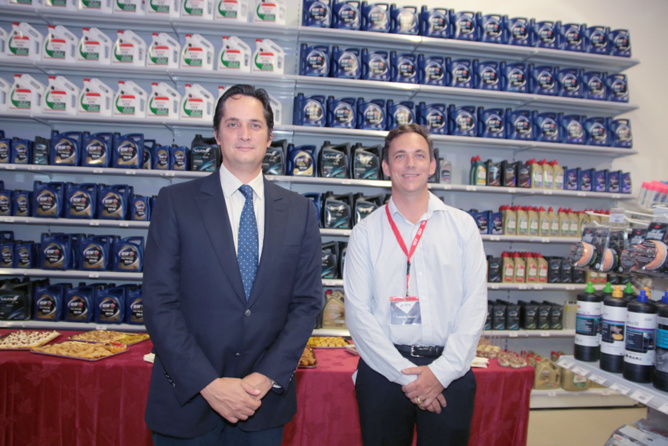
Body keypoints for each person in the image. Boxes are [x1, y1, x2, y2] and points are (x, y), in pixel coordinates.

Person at [143, 84, 323, 445]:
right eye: (233, 124)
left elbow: (306, 305)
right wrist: (208, 384)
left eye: (255, 125)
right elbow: (159, 302)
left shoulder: (300, 211)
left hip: (262, 405)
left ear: (269, 137)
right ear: (216, 134)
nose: (244, 134)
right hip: (188, 401)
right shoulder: (175, 202)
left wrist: (265, 377)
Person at [343, 124, 488, 446]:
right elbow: (358, 314)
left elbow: (475, 304)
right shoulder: (365, 233)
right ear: (386, 166)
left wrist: (441, 373)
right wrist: (408, 378)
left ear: (432, 165)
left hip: (450, 372)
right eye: (400, 156)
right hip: (382, 373)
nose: (410, 164)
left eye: (419, 155)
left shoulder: (462, 227)